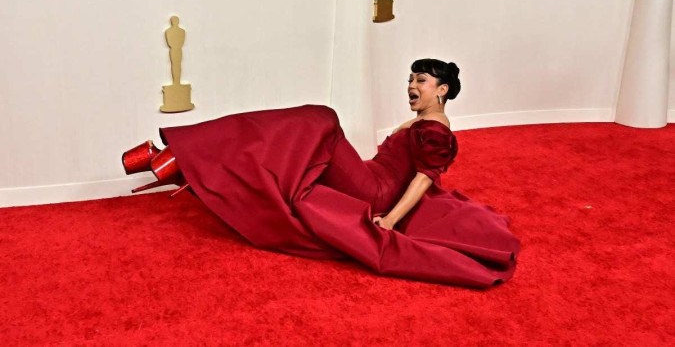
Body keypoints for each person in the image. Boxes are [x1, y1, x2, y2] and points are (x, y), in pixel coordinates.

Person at [122, 59, 520, 287]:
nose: (411, 86)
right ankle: (185, 160)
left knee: (321, 120)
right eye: (410, 79)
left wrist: (392, 220)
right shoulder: (422, 124)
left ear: (443, 90)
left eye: (421, 81)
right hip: (369, 175)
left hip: (375, 192)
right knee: (298, 143)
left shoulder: (436, 130)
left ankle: (182, 156)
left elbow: (424, 179)